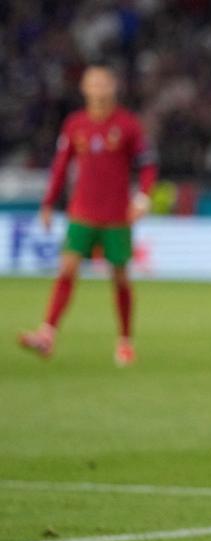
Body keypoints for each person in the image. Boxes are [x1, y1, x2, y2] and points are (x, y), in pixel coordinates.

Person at [19, 65, 157, 366]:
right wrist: (48, 202)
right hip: (81, 212)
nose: (99, 89)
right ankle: (47, 334)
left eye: (104, 83)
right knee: (67, 269)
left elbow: (147, 165)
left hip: (117, 216)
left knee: (120, 278)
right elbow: (60, 165)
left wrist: (144, 197)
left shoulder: (128, 125)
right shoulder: (74, 124)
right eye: (93, 84)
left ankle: (125, 341)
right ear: (84, 89)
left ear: (113, 87)